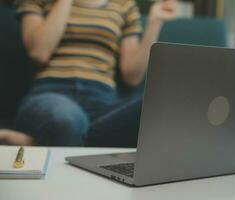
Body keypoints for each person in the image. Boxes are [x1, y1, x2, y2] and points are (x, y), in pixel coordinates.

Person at [3, 0, 176, 146]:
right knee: (66, 120)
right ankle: (63, 138)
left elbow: (132, 76)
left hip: (102, 102)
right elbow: (39, 52)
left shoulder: (123, 5)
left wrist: (155, 22)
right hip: (51, 94)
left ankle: (36, 143)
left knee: (158, 105)